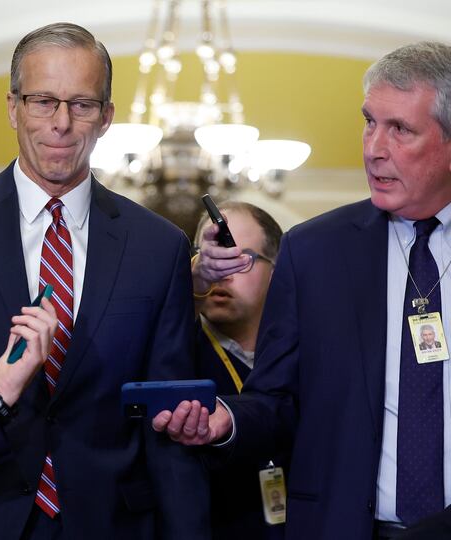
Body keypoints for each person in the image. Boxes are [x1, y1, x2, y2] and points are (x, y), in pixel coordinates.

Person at [0, 21, 208, 540]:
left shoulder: (158, 247)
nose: (61, 123)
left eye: (82, 104)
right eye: (43, 101)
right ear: (12, 107)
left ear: (106, 118)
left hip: (110, 525)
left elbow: (167, 428)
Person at [153, 41, 451, 539]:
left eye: (400, 129)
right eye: (369, 122)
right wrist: (226, 421)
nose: (374, 148)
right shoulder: (313, 252)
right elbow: (275, 399)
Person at [191, 202, 284, 540]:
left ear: (276, 270)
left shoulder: (300, 353)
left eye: (240, 259)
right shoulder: (177, 350)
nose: (221, 272)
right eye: (211, 256)